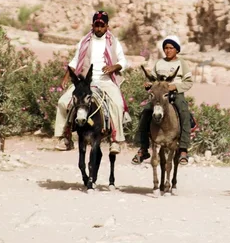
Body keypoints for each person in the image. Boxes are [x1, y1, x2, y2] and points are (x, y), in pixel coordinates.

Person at [54, 10, 128, 154]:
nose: (99, 28)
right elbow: (75, 61)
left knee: (117, 104)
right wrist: (65, 78)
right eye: (96, 25)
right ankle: (65, 138)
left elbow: (123, 61)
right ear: (92, 25)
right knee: (63, 102)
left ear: (107, 26)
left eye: (102, 25)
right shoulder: (84, 41)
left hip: (105, 80)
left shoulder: (113, 42)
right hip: (85, 82)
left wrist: (113, 67)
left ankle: (115, 140)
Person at [132, 35, 193, 166]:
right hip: (159, 94)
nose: (168, 50)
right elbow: (153, 79)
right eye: (165, 48)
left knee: (184, 113)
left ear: (177, 50)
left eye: (171, 48)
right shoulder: (159, 63)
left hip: (175, 94)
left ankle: (183, 149)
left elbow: (189, 82)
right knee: (146, 112)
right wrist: (149, 84)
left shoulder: (182, 64)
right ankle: (143, 149)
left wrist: (175, 86)